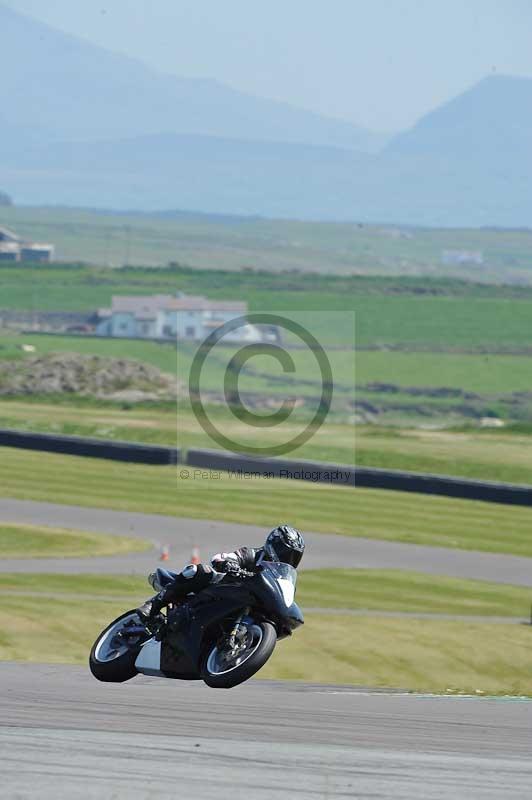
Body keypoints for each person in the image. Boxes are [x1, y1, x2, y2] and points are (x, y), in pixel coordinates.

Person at [136, 525, 305, 624]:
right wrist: (231, 565)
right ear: (273, 545)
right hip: (222, 589)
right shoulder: (252, 554)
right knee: (200, 571)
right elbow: (221, 558)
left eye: (294, 556)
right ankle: (153, 604)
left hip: (245, 603)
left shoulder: (283, 578)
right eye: (286, 552)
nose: (288, 558)